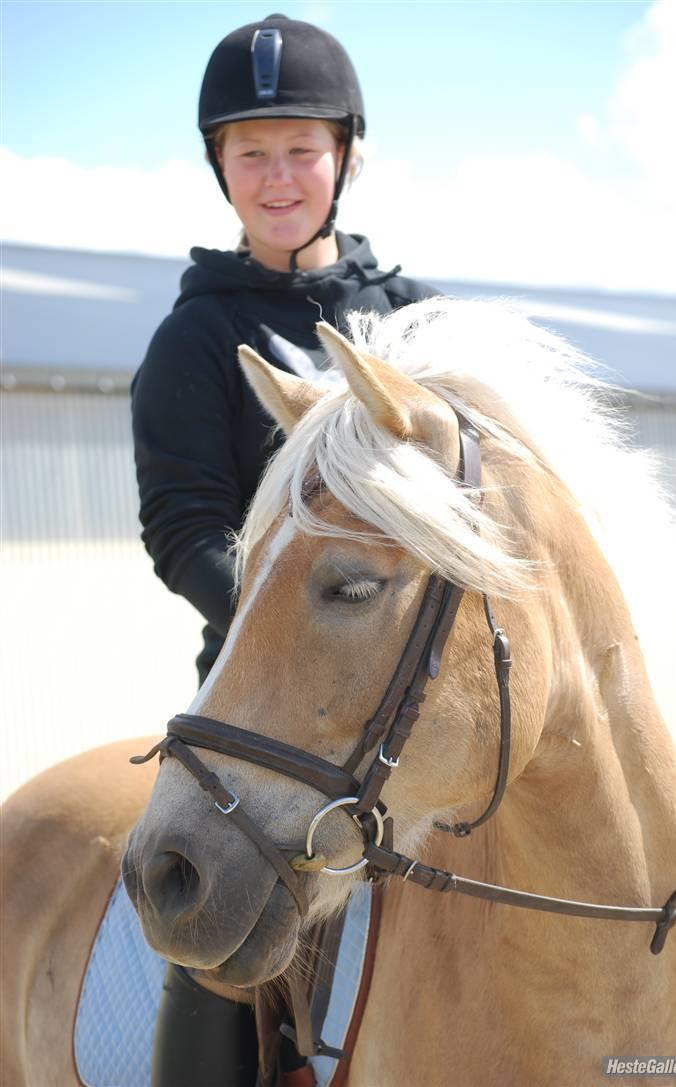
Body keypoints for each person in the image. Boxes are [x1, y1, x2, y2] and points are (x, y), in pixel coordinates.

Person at [131, 13, 435, 1087]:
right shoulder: (193, 339)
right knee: (218, 935)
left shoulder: (419, 322)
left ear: (345, 157)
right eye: (250, 153)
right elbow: (181, 529)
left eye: (300, 149)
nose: (276, 177)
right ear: (219, 167)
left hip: (425, 688)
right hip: (267, 699)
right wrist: (303, 636)